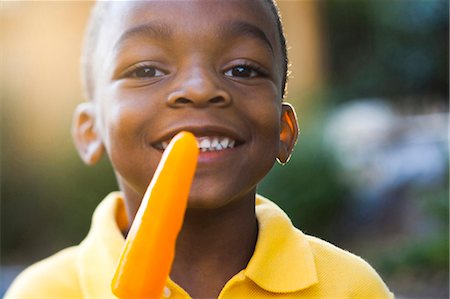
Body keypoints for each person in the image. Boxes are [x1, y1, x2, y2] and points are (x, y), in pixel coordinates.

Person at [5, 0, 394, 298]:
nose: (199, 88)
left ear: (284, 129)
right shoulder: (45, 291)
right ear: (91, 132)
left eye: (242, 68)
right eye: (146, 70)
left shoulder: (349, 288)